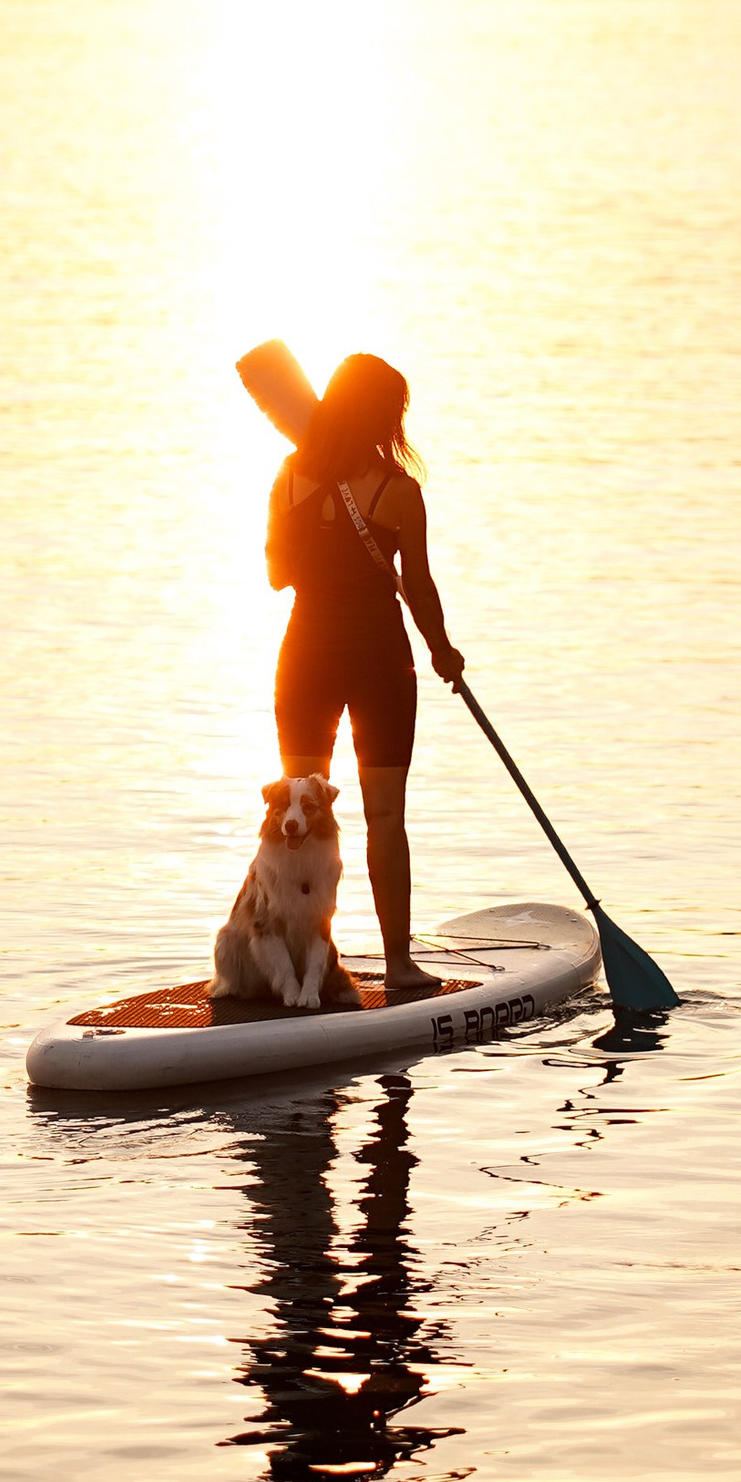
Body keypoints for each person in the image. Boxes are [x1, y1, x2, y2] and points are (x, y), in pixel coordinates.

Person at [266, 353, 464, 1001]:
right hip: (380, 659)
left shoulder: (290, 477)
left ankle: (299, 967)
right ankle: (400, 965)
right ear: (385, 413)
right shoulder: (401, 491)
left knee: (298, 814)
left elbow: (277, 575)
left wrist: (311, 523)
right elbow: (421, 585)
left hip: (307, 659)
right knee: (385, 817)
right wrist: (443, 652)